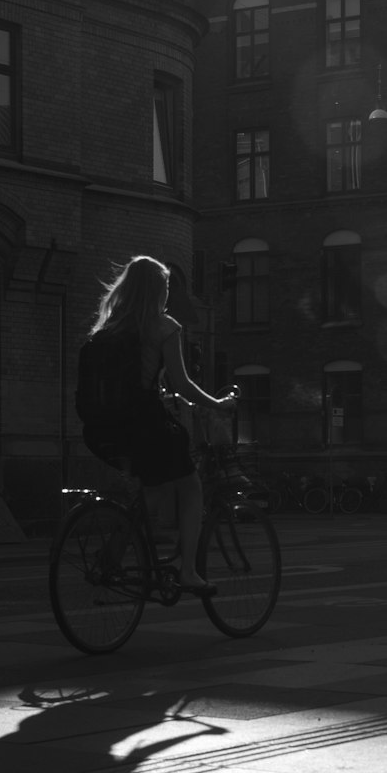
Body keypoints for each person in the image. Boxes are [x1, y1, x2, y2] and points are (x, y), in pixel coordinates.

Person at [81, 255, 236, 594]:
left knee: (151, 487)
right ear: (156, 291)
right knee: (191, 485)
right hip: (144, 426)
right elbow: (181, 383)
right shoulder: (163, 326)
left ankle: (113, 554)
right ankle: (189, 572)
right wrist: (217, 404)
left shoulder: (109, 327)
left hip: (101, 428)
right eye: (166, 287)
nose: (167, 293)